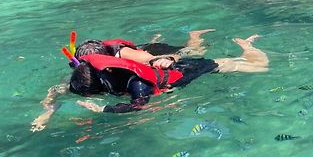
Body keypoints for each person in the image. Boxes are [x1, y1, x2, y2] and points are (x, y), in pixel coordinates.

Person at [31, 30, 214, 131]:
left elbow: (153, 62)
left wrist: (167, 60)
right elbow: (56, 90)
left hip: (149, 56)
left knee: (194, 53)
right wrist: (47, 112)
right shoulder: (86, 70)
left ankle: (194, 36)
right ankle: (155, 38)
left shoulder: (125, 55)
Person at [71, 34, 268, 114]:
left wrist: (105, 110)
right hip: (169, 69)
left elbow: (138, 106)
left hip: (184, 71)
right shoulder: (104, 73)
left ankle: (247, 46)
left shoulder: (137, 84)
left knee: (261, 67)